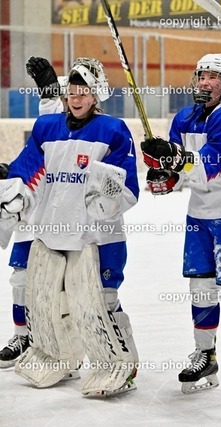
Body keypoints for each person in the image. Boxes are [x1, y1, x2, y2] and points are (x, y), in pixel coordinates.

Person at [0, 57, 139, 396]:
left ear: (96, 95)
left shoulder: (113, 130)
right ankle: (60, 357)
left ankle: (121, 364)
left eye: (84, 92)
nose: (76, 98)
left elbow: (128, 187)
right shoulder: (47, 127)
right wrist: (13, 192)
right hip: (53, 231)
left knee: (102, 301)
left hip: (98, 236)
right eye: (72, 92)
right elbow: (27, 170)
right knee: (51, 301)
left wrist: (109, 198)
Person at [141, 53, 221, 400]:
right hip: (199, 214)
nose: (205, 82)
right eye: (201, 76)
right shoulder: (184, 117)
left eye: (214, 77)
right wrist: (164, 172)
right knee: (201, 288)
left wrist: (175, 159)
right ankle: (206, 355)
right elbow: (182, 173)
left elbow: (209, 166)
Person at [0, 57, 67, 369]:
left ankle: (65, 343)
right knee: (21, 280)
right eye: (62, 97)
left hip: (65, 222)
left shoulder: (92, 132)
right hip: (31, 217)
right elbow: (31, 157)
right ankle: (23, 336)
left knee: (68, 286)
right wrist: (9, 173)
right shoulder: (47, 130)